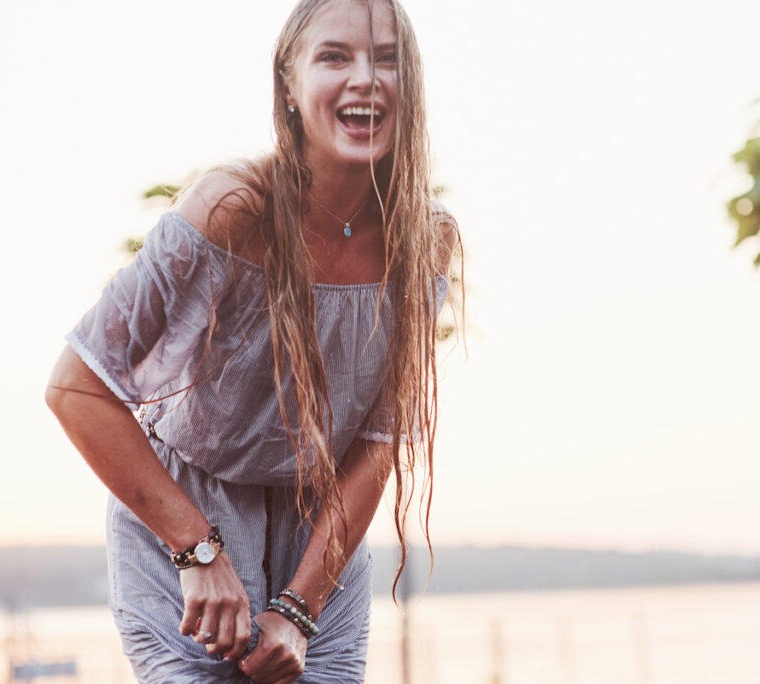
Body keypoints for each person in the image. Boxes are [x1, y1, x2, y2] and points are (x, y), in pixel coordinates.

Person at [45, 0, 458, 681]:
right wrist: (196, 553)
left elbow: (379, 442)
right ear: (288, 86)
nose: (366, 79)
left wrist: (299, 608)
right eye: (335, 57)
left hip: (321, 535)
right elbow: (74, 386)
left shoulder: (426, 239)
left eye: (387, 59)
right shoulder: (230, 210)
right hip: (188, 514)